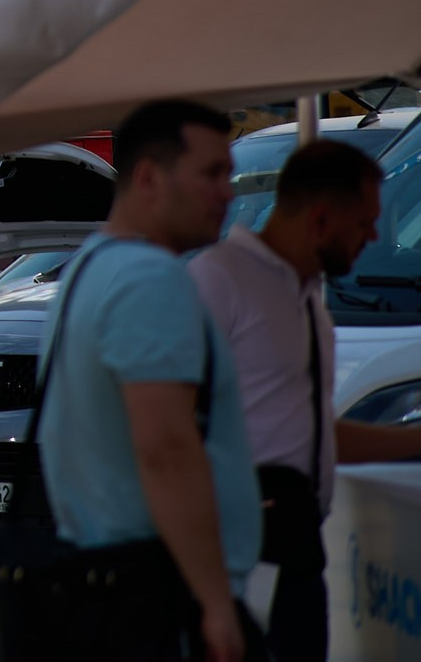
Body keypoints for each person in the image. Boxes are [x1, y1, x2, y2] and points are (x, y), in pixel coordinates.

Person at [26, 101, 262, 662]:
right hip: (156, 596)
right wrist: (216, 602)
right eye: (211, 174)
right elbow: (166, 450)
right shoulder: (149, 278)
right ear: (149, 177)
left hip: (112, 584)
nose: (229, 193)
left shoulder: (90, 266)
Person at [192, 138, 421, 662]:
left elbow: (313, 430)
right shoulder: (220, 280)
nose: (371, 237)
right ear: (319, 218)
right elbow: (170, 431)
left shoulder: (307, 291)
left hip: (295, 550)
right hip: (237, 557)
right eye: (364, 222)